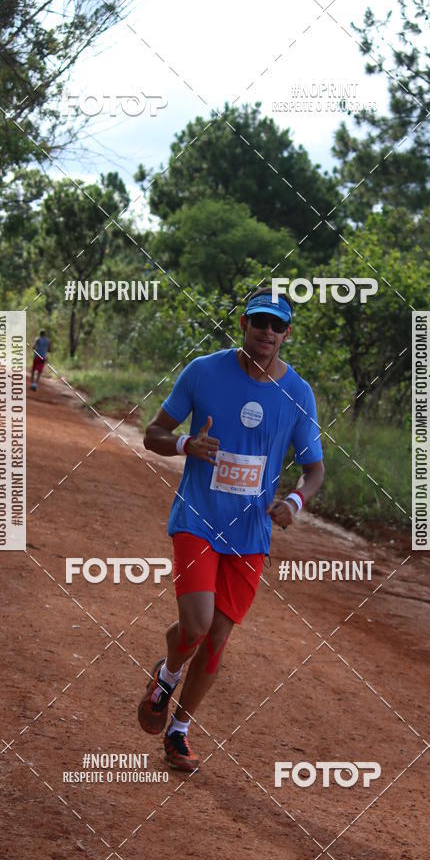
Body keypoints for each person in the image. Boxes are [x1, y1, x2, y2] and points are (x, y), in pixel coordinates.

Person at [138, 287, 325, 771]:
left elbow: (314, 469)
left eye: (276, 325)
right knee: (195, 626)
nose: (267, 332)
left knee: (217, 637)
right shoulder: (203, 371)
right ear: (244, 324)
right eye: (259, 322)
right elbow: (152, 434)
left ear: (287, 333)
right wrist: (184, 443)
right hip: (197, 518)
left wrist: (296, 502)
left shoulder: (298, 394)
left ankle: (178, 730)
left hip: (251, 534)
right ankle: (167, 673)